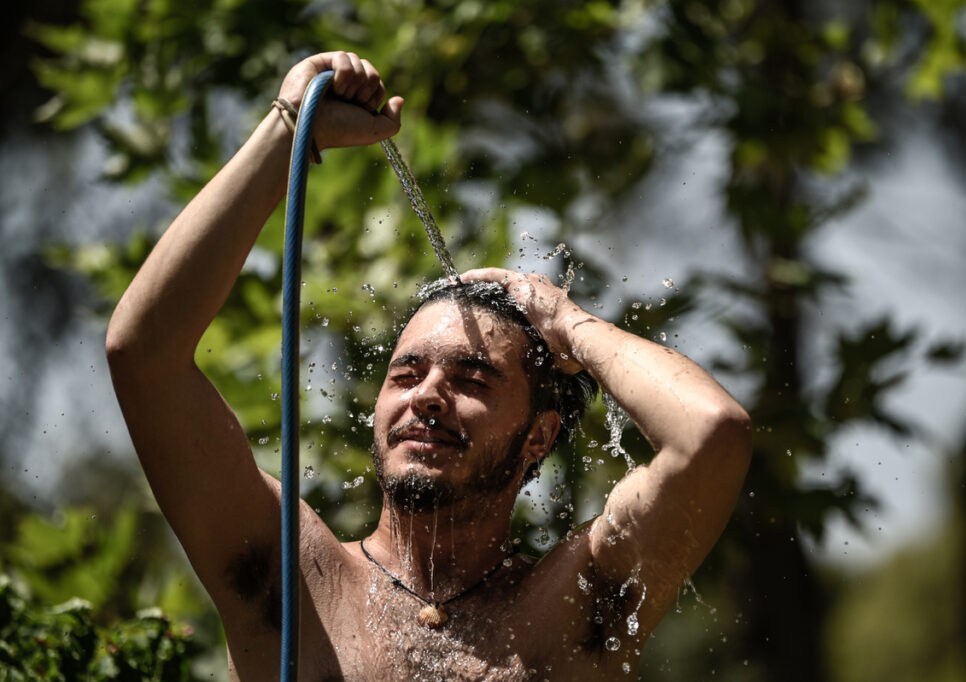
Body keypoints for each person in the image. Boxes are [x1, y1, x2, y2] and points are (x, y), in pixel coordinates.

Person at [105, 51, 752, 681]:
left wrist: (566, 324)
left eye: (472, 380)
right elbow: (143, 353)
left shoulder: (574, 605)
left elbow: (711, 434)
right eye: (406, 375)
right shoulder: (292, 572)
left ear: (539, 436)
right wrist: (285, 129)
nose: (429, 396)